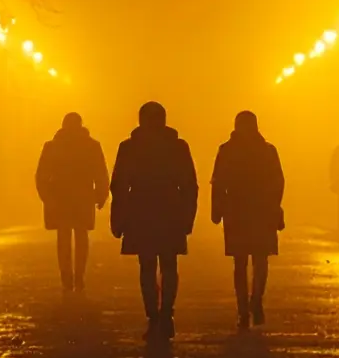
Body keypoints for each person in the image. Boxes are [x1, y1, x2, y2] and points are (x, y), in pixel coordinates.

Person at [109, 101, 198, 339]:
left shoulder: (129, 147)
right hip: (170, 211)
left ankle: (154, 316)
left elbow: (119, 186)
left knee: (147, 266)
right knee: (169, 265)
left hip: (141, 211)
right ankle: (166, 313)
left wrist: (118, 219)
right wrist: (187, 216)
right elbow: (189, 185)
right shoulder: (177, 147)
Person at [210, 110, 285, 329]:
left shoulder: (226, 150)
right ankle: (255, 301)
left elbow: (218, 182)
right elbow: (278, 181)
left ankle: (243, 308)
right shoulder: (268, 151)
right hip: (262, 211)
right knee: (260, 260)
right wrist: (274, 206)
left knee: (240, 262)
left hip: (237, 211)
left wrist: (217, 209)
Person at [35, 112, 108, 292]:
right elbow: (100, 173)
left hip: (60, 199)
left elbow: (41, 175)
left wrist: (47, 197)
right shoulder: (91, 146)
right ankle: (79, 276)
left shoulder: (52, 147)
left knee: (63, 237)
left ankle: (66, 276)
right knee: (81, 237)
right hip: (83, 198)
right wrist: (101, 195)